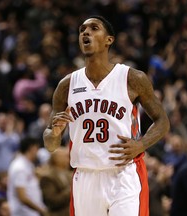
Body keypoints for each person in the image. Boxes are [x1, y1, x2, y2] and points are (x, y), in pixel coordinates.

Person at [43, 15, 170, 216]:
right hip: (85, 176)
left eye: (94, 28)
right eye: (82, 29)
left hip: (123, 174)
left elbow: (162, 121)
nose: (86, 32)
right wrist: (54, 133)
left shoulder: (132, 78)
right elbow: (50, 144)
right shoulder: (66, 85)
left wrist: (141, 144)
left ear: (109, 39)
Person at [7, 137, 48, 216]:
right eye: (37, 148)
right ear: (32, 148)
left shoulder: (28, 165)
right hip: (23, 213)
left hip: (31, 212)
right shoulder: (19, 167)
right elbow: (22, 197)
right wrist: (41, 210)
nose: (37, 152)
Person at [40, 147, 72, 216]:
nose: (68, 159)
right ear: (56, 159)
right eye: (65, 156)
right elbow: (52, 201)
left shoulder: (69, 174)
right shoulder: (48, 177)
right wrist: (71, 190)